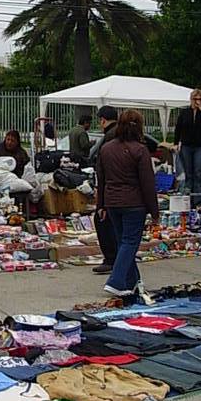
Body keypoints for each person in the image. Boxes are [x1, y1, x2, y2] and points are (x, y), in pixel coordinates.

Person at [97, 109, 159, 297]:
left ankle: (133, 282)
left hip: (112, 202)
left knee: (123, 242)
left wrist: (101, 205)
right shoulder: (140, 150)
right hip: (134, 203)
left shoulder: (106, 148)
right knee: (130, 242)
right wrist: (154, 211)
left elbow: (102, 179)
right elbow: (148, 184)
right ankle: (116, 281)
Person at [91, 106, 119, 275]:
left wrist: (100, 200)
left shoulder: (109, 138)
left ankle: (111, 258)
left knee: (102, 219)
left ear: (102, 120)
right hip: (124, 188)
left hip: (111, 187)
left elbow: (102, 170)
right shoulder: (123, 134)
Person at [174, 89, 201, 202]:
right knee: (188, 172)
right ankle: (187, 199)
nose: (197, 101)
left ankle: (198, 199)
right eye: (195, 99)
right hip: (186, 145)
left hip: (200, 146)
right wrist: (176, 143)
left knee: (198, 172)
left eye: (200, 99)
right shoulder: (185, 112)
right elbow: (178, 128)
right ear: (191, 99)